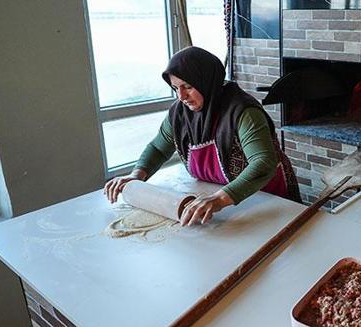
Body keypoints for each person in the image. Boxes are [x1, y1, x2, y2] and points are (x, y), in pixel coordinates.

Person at [104, 46, 302, 226]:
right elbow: (158, 148)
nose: (181, 96)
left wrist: (220, 199)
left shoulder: (242, 112)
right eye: (175, 88)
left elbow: (263, 162)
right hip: (224, 199)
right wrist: (136, 176)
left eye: (188, 87)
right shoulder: (179, 115)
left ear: (206, 81)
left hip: (269, 197)